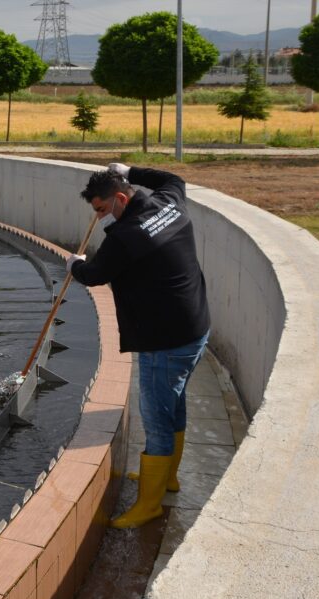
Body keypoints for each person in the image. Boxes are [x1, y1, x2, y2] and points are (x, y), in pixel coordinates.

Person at [66, 163, 210, 529]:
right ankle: (167, 479)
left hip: (163, 341)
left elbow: (94, 275)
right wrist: (130, 169)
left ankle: (149, 505)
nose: (98, 218)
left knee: (157, 421)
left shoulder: (125, 237)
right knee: (173, 405)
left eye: (101, 209)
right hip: (194, 328)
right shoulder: (169, 203)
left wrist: (73, 264)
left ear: (119, 197)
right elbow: (173, 179)